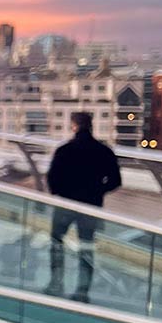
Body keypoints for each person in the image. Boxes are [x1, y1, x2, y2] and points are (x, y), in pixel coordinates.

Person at [45, 112, 121, 302]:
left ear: (74, 126)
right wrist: (97, 191)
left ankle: (56, 282)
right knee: (86, 246)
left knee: (56, 241)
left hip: (66, 203)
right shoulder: (104, 151)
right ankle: (82, 290)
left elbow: (52, 178)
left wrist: (61, 193)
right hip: (91, 205)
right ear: (91, 126)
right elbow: (116, 181)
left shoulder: (64, 150)